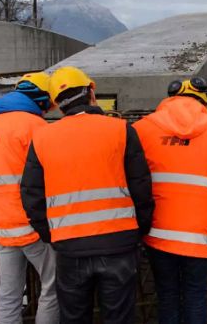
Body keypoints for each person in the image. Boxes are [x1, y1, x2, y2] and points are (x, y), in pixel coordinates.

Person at [21, 66, 154, 324]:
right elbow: (141, 186)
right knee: (119, 317)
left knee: (74, 317)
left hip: (69, 248)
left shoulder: (43, 138)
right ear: (92, 92)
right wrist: (140, 230)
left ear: (57, 105)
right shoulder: (121, 130)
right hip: (119, 244)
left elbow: (31, 195)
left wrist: (51, 235)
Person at [133, 77, 207, 324]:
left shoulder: (143, 128)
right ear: (203, 99)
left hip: (157, 231)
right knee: (195, 294)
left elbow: (132, 176)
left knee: (167, 295)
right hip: (198, 231)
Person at [0, 72, 58, 324]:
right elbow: (53, 179)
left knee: (9, 294)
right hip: (34, 227)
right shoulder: (36, 127)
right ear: (41, 99)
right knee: (53, 287)